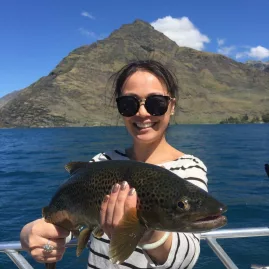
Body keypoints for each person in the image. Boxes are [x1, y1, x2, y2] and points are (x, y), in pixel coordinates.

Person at [20, 60, 208, 269]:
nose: (143, 113)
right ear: (120, 109)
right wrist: (34, 235)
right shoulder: (101, 163)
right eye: (129, 104)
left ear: (171, 106)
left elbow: (187, 256)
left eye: (156, 103)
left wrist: (145, 230)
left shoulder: (189, 167)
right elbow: (65, 221)